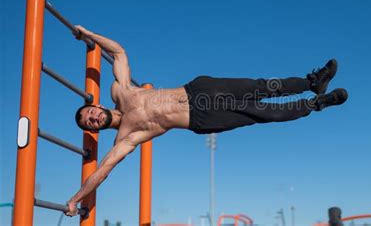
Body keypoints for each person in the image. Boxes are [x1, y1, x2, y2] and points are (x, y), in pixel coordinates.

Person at [66, 26, 348, 216]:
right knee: (266, 113)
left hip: (198, 90)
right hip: (200, 117)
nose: (91, 118)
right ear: (95, 128)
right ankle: (316, 103)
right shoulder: (126, 137)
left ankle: (313, 82)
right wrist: (75, 200)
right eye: (88, 123)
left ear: (97, 106)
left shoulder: (122, 91)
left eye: (88, 113)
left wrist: (86, 34)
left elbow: (118, 52)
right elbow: (102, 172)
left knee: (263, 86)